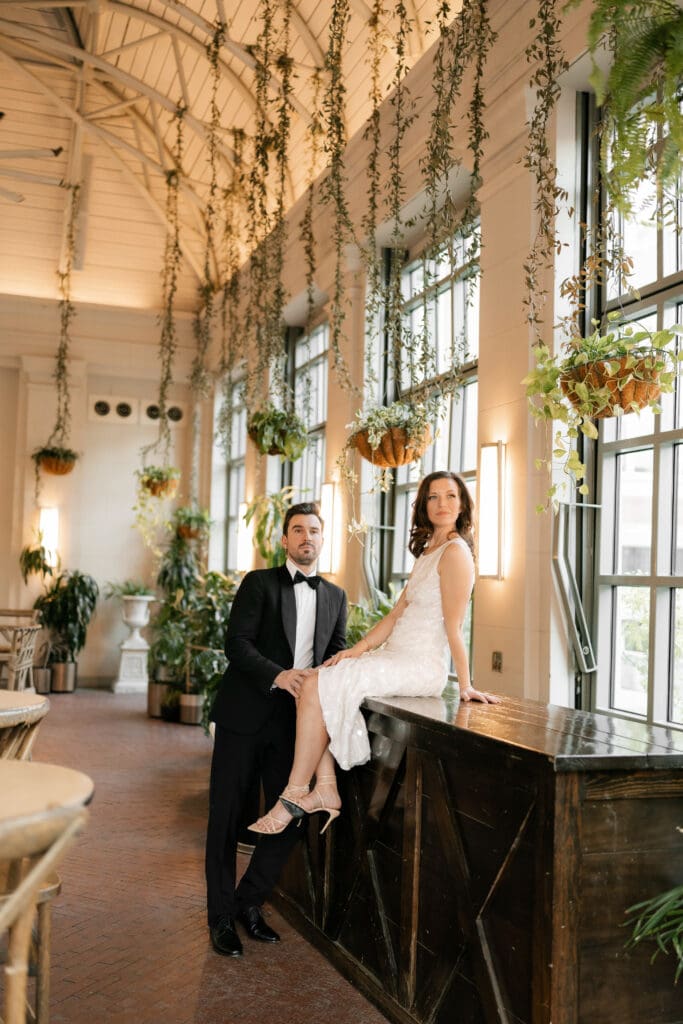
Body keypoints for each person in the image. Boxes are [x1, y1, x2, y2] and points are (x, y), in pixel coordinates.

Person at [249, 471, 500, 837]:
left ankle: (292, 795)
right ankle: (326, 787)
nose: (442, 504)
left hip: (420, 665)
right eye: (433, 497)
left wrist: (465, 684)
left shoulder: (457, 553)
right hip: (393, 656)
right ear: (424, 505)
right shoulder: (430, 550)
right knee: (313, 682)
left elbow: (454, 626)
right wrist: (356, 650)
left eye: (450, 496)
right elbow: (396, 614)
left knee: (317, 683)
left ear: (462, 503)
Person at [205, 501, 347, 957]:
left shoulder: (337, 597)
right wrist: (279, 674)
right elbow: (237, 644)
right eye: (298, 530)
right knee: (226, 818)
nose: (307, 537)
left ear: (323, 540)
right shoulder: (258, 583)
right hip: (244, 716)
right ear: (284, 540)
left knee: (289, 818)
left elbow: (336, 657)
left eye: (314, 531)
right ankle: (221, 916)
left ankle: (249, 904)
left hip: (295, 728)